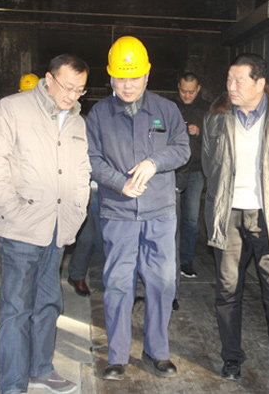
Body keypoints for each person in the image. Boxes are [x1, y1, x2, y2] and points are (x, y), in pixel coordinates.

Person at [0, 54, 91, 394]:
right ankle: (13, 384)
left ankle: (41, 367)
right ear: (48, 79)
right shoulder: (13, 108)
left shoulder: (77, 122)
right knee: (17, 308)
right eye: (67, 87)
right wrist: (10, 208)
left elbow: (82, 169)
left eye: (80, 90)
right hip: (21, 227)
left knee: (48, 303)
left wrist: (78, 209)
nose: (72, 96)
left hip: (58, 228)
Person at [202, 54, 269, 393]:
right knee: (227, 290)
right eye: (229, 79)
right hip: (229, 215)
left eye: (239, 80)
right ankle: (231, 358)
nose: (230, 86)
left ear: (260, 83)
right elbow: (209, 164)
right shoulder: (216, 116)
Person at [86, 36, 189, 381]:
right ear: (110, 77)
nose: (127, 85)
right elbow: (91, 159)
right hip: (118, 213)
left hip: (160, 212)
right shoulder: (99, 114)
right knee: (118, 283)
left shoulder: (166, 110)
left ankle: (157, 351)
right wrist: (120, 183)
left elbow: (182, 149)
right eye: (120, 78)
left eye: (134, 77)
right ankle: (117, 355)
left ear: (147, 75)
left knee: (162, 283)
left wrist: (154, 162)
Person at [173, 72, 209, 278]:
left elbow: (217, 138)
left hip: (195, 171)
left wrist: (200, 132)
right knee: (170, 218)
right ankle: (169, 258)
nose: (187, 95)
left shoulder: (207, 110)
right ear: (179, 88)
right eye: (183, 91)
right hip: (173, 171)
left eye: (191, 92)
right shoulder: (170, 107)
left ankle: (186, 261)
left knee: (191, 220)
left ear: (198, 89)